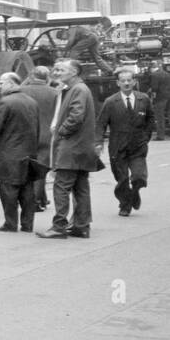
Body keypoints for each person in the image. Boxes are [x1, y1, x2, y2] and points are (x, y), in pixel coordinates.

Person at [39, 59, 101, 239]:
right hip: (81, 148)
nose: (57, 73)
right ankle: (81, 226)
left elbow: (76, 116)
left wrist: (60, 132)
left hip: (71, 148)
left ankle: (59, 226)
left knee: (61, 186)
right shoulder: (77, 88)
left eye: (61, 70)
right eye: (56, 70)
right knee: (81, 188)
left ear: (74, 72)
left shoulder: (77, 90)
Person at [0, 72, 40, 233]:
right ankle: (27, 224)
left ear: (11, 84)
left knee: (8, 188)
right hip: (28, 151)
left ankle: (10, 223)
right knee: (27, 189)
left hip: (8, 152)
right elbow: (37, 126)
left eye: (1, 83)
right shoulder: (31, 102)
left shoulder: (5, 102)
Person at [95, 68, 154, 218]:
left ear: (134, 82)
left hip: (138, 145)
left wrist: (145, 137)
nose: (126, 83)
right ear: (118, 83)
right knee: (121, 179)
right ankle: (125, 204)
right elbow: (101, 123)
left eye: (129, 80)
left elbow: (150, 119)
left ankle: (134, 193)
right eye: (123, 81)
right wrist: (98, 142)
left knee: (139, 176)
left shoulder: (144, 99)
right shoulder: (110, 102)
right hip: (117, 146)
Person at [19, 65, 58, 210]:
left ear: (31, 76)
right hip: (47, 135)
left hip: (25, 135)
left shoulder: (21, 91)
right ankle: (36, 200)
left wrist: (26, 80)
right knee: (41, 169)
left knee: (28, 168)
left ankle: (36, 199)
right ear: (47, 78)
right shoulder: (55, 93)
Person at [148, 62, 170, 141]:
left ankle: (160, 136)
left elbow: (154, 88)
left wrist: (152, 98)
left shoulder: (154, 75)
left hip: (160, 98)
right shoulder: (167, 74)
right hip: (169, 97)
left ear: (151, 68)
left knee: (160, 117)